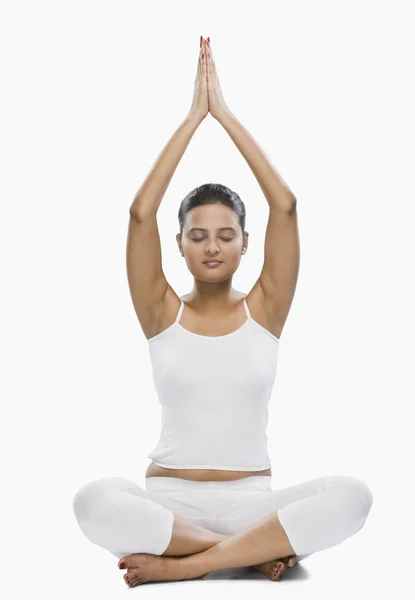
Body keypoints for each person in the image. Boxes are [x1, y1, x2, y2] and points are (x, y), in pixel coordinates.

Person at [72, 37, 373, 587]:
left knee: (354, 496)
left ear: (243, 244)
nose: (212, 247)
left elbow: (285, 205)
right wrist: (193, 118)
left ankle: (193, 563)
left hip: (252, 502)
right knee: (92, 501)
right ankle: (247, 555)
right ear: (181, 244)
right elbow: (141, 213)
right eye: (198, 236)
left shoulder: (267, 309)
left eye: (226, 235)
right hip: (169, 504)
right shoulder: (161, 312)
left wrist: (225, 115)